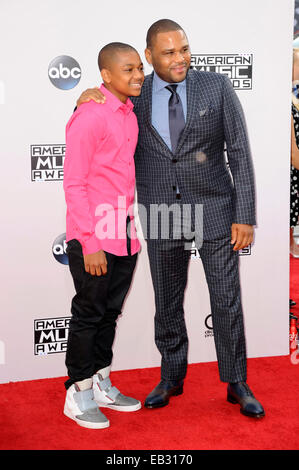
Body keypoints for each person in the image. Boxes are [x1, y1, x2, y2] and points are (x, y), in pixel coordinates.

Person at [76, 19, 265, 418]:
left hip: (215, 208)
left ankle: (236, 382)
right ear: (148, 57)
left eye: (183, 49)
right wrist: (85, 96)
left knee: (226, 300)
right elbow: (102, 114)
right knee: (167, 300)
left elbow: (240, 155)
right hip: (162, 211)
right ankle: (171, 377)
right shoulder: (135, 96)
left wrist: (244, 214)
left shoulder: (216, 86)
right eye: (167, 52)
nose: (179, 59)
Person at [63, 42, 144, 429]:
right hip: (93, 238)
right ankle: (77, 394)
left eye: (139, 68)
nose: (138, 76)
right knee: (88, 314)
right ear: (106, 75)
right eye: (127, 70)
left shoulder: (130, 114)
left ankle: (99, 381)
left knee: (109, 314)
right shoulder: (90, 115)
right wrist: (89, 243)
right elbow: (74, 184)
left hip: (125, 236)